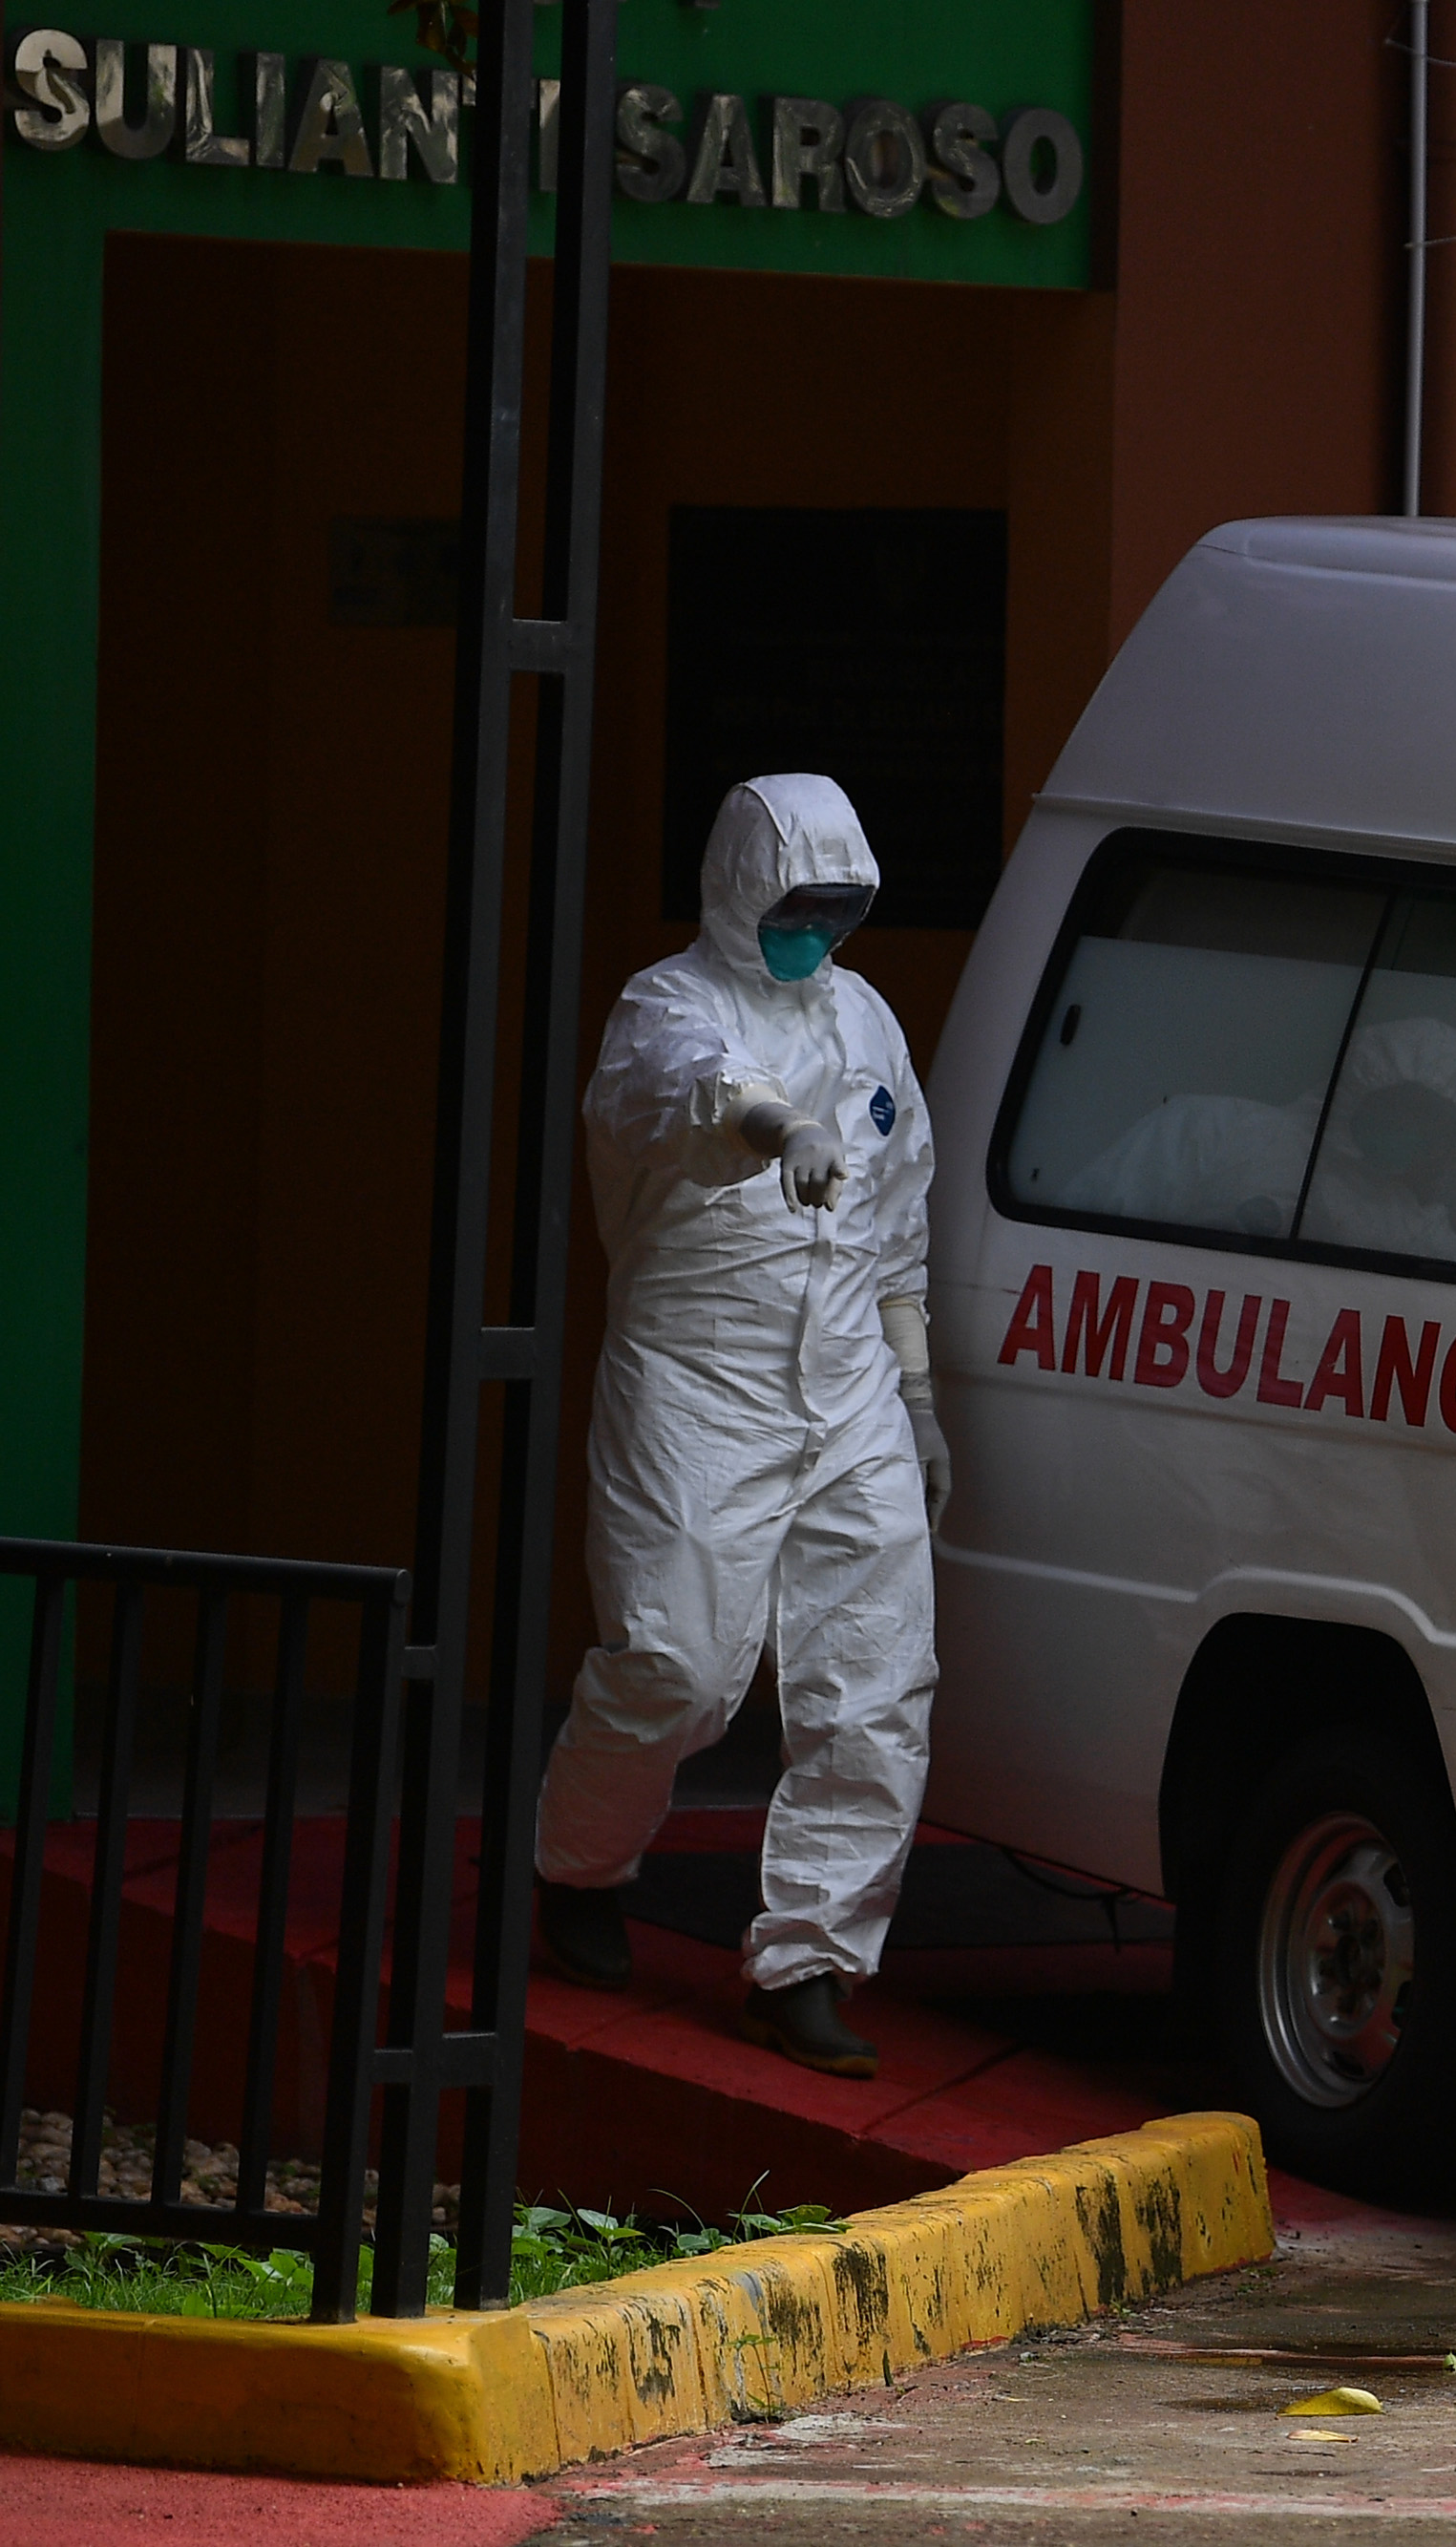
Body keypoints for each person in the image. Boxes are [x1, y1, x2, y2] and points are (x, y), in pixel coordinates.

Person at [529, 776, 947, 2082]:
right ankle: (579, 1863)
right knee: (676, 1664)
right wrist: (783, 1128)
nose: (813, 932)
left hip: (850, 1385)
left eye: (837, 909)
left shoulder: (867, 1019)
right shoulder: (666, 1004)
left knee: (876, 1680)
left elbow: (898, 1222)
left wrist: (918, 1396)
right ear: (738, 889)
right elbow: (694, 1092)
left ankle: (809, 1962)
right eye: (793, 906)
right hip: (698, 1381)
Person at [1056, 1014, 1456, 1261]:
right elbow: (1078, 1233)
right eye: (1413, 1110)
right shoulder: (1212, 1128)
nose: (1420, 1134)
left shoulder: (1404, 1223)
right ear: (1367, 1079)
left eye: (1439, 1128)